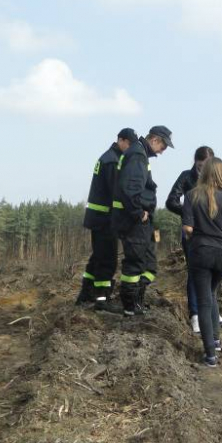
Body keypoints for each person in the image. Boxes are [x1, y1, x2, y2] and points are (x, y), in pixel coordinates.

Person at [182, 157, 222, 367]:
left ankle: (210, 356)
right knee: (212, 293)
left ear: (203, 172)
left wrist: (194, 237)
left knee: (204, 301)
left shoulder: (192, 195)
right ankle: (215, 340)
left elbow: (188, 228)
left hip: (201, 253)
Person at [112, 125, 174, 316]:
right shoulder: (138, 155)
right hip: (133, 221)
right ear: (154, 139)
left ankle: (137, 302)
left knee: (148, 264)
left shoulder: (139, 154)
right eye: (163, 147)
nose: (162, 152)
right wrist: (139, 213)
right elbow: (130, 188)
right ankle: (130, 306)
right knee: (135, 263)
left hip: (140, 221)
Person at [76, 128, 138, 310]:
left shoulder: (108, 157)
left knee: (98, 257)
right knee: (107, 259)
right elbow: (116, 192)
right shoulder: (112, 161)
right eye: (129, 144)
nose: (130, 148)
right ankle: (102, 299)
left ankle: (85, 294)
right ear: (121, 140)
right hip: (105, 218)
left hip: (99, 217)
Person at [166, 146, 214, 333]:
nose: (203, 170)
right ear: (195, 162)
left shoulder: (216, 178)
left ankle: (210, 310)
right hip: (192, 232)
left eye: (207, 166)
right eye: (200, 165)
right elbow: (171, 201)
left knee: (212, 272)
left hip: (212, 233)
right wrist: (189, 215)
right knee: (195, 271)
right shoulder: (186, 177)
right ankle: (194, 314)